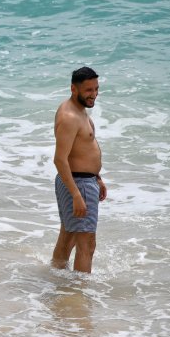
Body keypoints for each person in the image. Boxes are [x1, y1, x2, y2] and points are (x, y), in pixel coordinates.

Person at [51, 66, 108, 273]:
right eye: (88, 90)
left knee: (69, 236)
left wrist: (97, 178)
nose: (93, 95)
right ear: (73, 89)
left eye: (96, 89)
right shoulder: (69, 117)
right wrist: (76, 194)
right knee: (87, 246)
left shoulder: (79, 110)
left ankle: (57, 279)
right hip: (78, 184)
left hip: (85, 181)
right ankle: (79, 295)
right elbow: (59, 159)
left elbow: (83, 149)